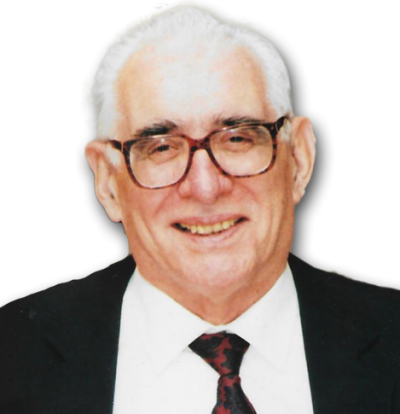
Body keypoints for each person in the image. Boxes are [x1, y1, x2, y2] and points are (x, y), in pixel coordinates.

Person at [1, 2, 399, 413]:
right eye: (161, 147)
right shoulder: (12, 354)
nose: (205, 188)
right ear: (106, 180)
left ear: (299, 158)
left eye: (238, 138)